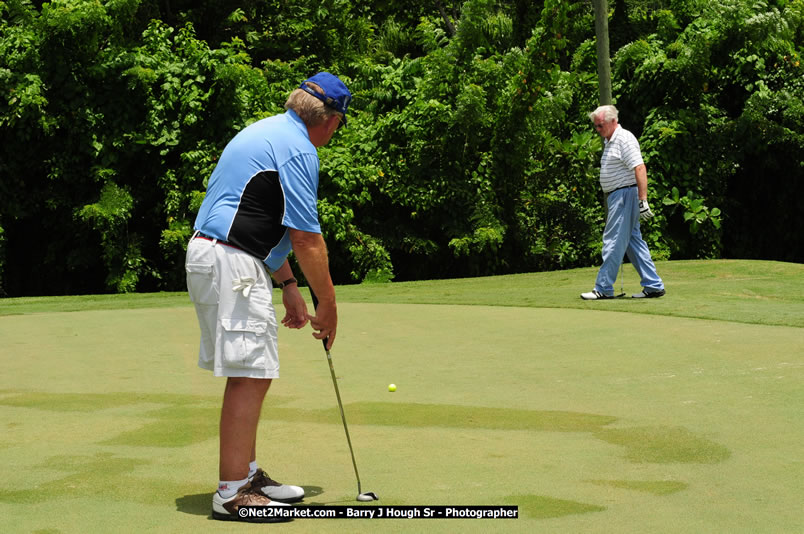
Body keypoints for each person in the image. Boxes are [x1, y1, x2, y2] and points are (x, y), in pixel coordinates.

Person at [185, 72, 350, 522]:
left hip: (228, 257)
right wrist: (328, 305)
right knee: (250, 374)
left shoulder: (268, 131)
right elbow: (305, 237)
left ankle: (248, 476)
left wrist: (290, 287)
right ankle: (233, 492)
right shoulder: (299, 148)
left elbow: (257, 214)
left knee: (252, 370)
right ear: (331, 121)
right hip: (231, 260)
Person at [581, 105, 665, 300]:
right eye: (595, 126)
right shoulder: (610, 140)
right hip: (619, 196)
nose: (597, 130)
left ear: (612, 121)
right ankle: (653, 285)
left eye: (600, 125)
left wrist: (643, 200)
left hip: (625, 195)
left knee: (613, 241)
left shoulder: (624, 138)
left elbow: (640, 168)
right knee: (632, 243)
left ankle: (603, 288)